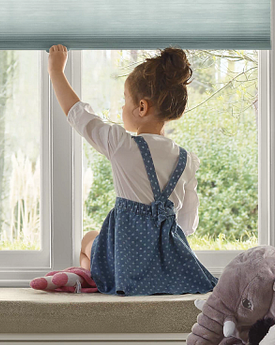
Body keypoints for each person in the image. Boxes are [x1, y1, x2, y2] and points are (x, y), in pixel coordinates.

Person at [33, 46, 219, 296]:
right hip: (165, 267)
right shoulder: (187, 160)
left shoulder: (122, 145)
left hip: (124, 265)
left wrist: (56, 70)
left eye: (124, 100)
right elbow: (187, 223)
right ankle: (93, 278)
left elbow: (78, 114)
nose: (122, 107)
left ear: (141, 107)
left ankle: (86, 277)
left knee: (89, 239)